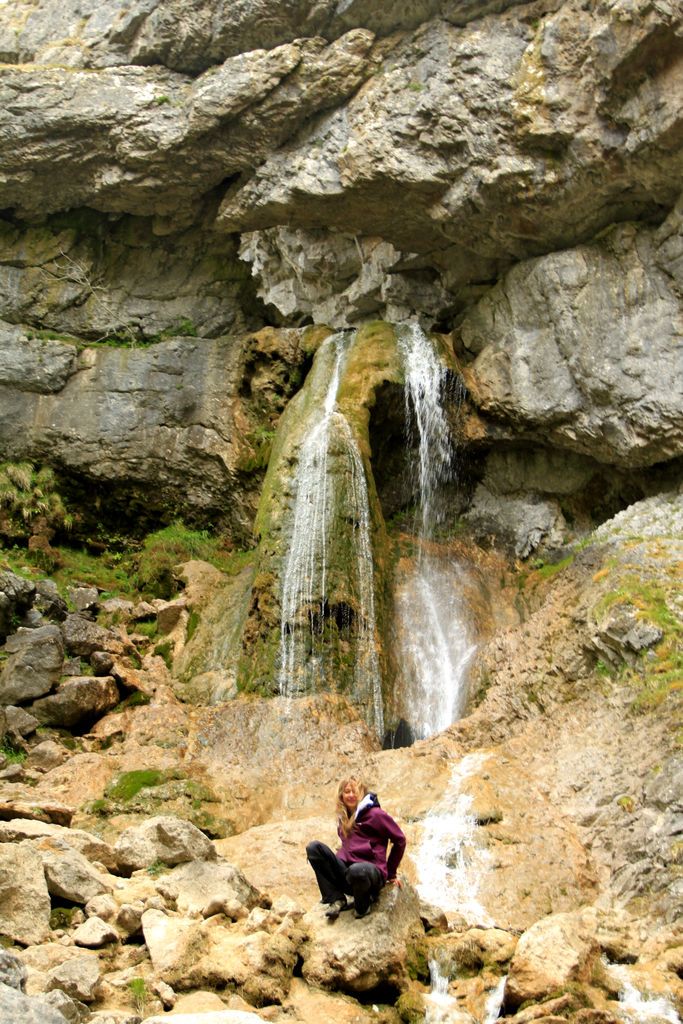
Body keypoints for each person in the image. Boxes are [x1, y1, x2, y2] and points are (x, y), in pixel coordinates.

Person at [306, 775, 406, 920]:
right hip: (349, 875)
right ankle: (336, 898)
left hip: (370, 874)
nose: (351, 795)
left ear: (362, 794)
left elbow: (400, 839)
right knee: (314, 849)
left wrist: (391, 873)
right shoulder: (343, 818)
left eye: (355, 792)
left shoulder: (376, 814)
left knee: (357, 870)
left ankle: (363, 906)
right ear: (341, 795)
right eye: (347, 792)